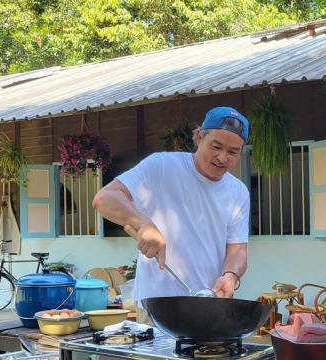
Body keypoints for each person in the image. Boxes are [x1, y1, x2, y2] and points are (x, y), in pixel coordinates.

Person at [92, 106, 251, 320]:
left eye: (232, 152)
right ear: (199, 136)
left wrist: (230, 276)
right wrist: (143, 224)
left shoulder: (238, 191)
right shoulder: (163, 166)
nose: (222, 157)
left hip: (209, 304)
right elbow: (104, 198)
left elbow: (238, 250)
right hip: (157, 306)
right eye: (216, 146)